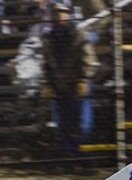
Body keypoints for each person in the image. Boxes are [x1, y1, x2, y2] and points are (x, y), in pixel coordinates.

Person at [41, 2, 94, 151]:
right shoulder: (49, 37)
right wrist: (47, 83)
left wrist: (83, 79)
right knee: (63, 124)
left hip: (76, 82)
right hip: (59, 84)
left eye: (63, 12)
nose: (60, 16)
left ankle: (80, 152)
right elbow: (47, 62)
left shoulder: (78, 34)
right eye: (56, 12)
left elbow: (87, 57)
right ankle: (68, 155)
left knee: (83, 125)